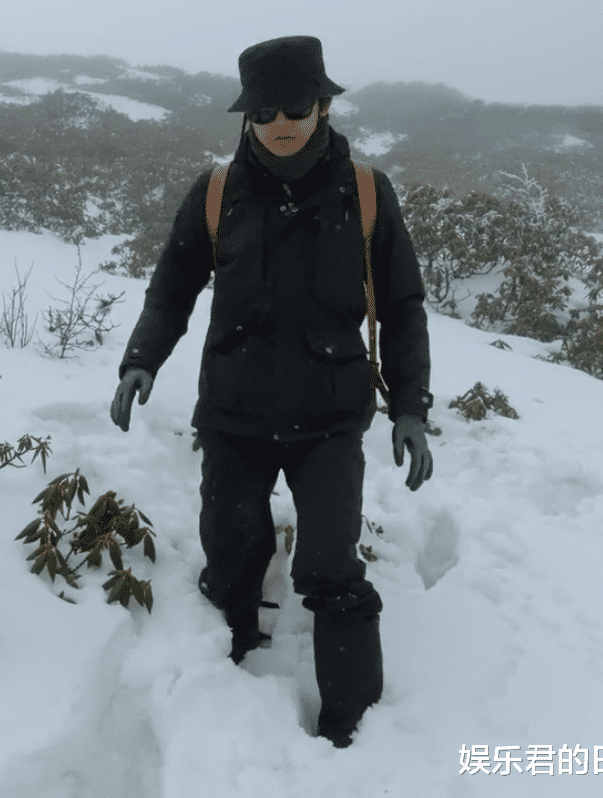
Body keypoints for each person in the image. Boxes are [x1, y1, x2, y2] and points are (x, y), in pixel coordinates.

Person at [109, 35, 434, 748]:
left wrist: (410, 406)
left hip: (328, 417)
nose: (281, 121)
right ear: (248, 115)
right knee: (231, 554)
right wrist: (142, 360)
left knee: (330, 568)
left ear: (321, 105)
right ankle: (221, 688)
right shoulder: (218, 191)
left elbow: (404, 307)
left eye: (296, 105)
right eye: (264, 110)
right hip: (234, 411)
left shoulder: (369, 191)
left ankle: (356, 729)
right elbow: (172, 290)